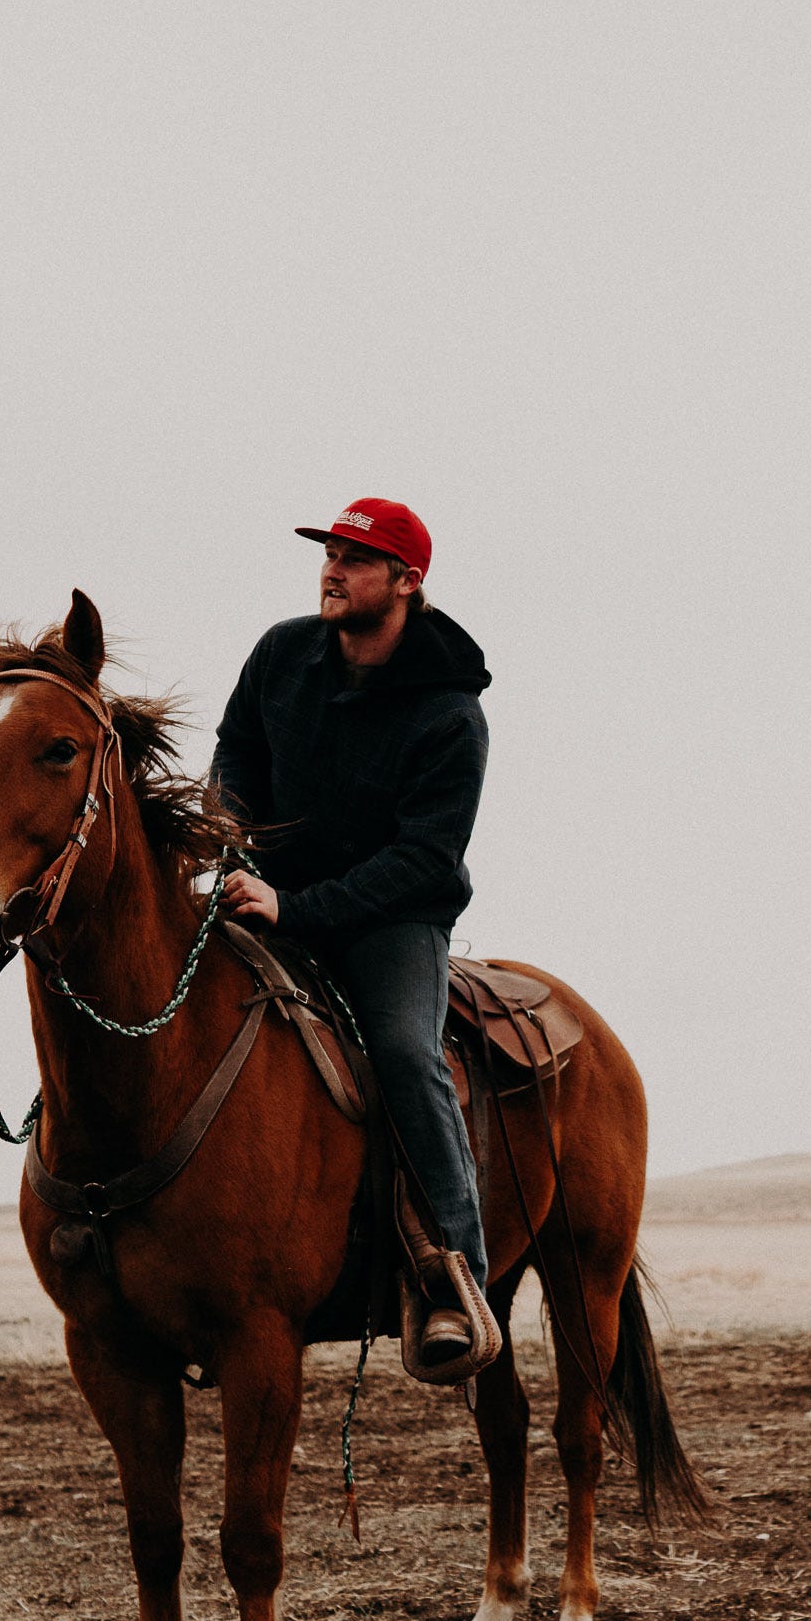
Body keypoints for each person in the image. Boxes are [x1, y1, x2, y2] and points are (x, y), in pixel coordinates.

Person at [208, 497, 494, 1371]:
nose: (332, 569)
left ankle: (453, 1274)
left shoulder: (450, 716)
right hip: (267, 886)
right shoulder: (281, 652)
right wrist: (229, 840)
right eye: (329, 552)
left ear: (406, 581)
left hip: (390, 917)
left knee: (407, 1053)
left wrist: (301, 911)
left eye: (355, 558)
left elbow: (424, 858)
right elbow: (237, 752)